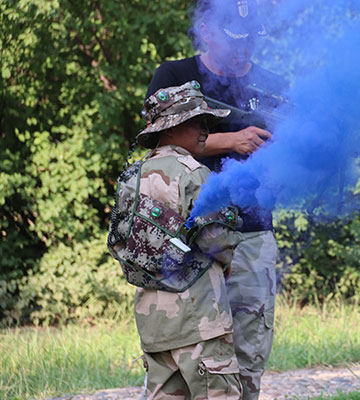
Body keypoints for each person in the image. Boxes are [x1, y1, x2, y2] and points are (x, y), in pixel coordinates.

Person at [145, 1, 284, 398]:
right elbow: (156, 140)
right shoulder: (174, 76)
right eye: (235, 37)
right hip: (182, 239)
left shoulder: (273, 85)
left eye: (252, 37)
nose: (245, 47)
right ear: (206, 30)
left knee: (245, 361)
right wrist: (231, 141)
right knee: (177, 365)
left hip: (250, 236)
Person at [128, 81, 242, 399]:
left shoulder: (134, 176)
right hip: (200, 318)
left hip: (154, 323)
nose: (205, 129)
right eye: (197, 121)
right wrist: (227, 261)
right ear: (173, 127)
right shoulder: (194, 174)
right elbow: (218, 239)